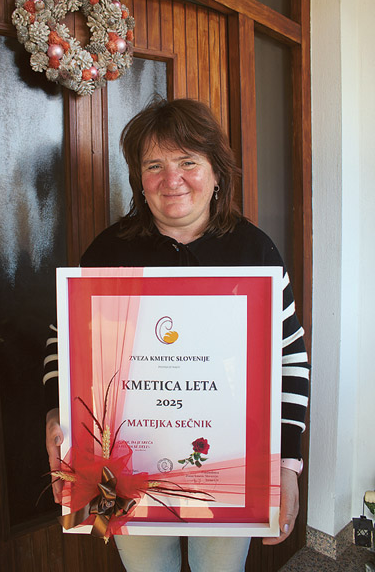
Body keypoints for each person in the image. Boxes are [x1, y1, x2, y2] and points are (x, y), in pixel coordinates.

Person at [44, 97, 309, 572]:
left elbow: (289, 358)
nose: (172, 179)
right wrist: (56, 413)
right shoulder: (108, 251)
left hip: (232, 465)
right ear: (139, 180)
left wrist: (288, 464)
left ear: (216, 172)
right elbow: (63, 342)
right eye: (155, 165)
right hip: (123, 466)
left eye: (188, 161)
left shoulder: (255, 252)